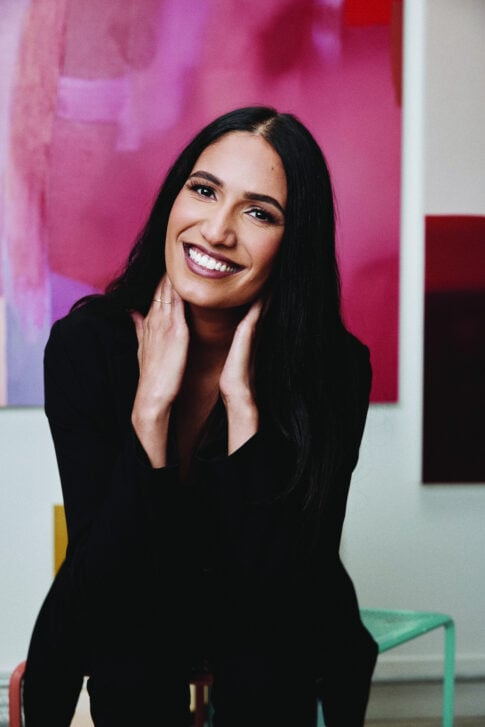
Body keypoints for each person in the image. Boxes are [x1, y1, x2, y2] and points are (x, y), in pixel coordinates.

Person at [23, 105, 377, 726]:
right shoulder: (88, 347)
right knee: (129, 658)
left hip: (273, 609)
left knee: (268, 663)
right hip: (134, 595)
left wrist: (244, 414)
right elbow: (103, 568)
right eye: (205, 190)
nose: (216, 230)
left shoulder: (333, 368)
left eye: (259, 213)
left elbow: (289, 576)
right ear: (175, 198)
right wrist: (150, 412)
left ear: (294, 243)